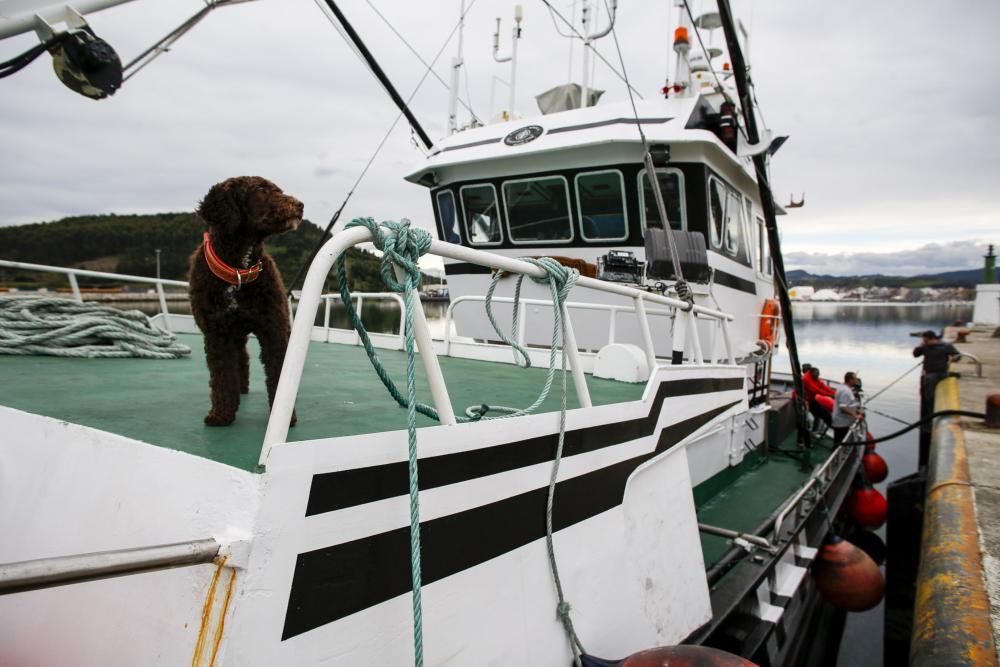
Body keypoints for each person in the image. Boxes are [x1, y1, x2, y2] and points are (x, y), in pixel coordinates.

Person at [913, 330, 959, 415]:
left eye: (925, 340)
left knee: (931, 396)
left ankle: (932, 413)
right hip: (930, 374)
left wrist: (953, 359)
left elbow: (957, 355)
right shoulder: (925, 347)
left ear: (931, 339)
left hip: (939, 373)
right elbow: (915, 354)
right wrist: (920, 346)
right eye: (924, 340)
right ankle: (930, 413)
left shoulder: (946, 346)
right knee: (928, 395)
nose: (924, 342)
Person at [832, 372, 864, 444]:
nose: (856, 380)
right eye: (855, 378)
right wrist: (856, 416)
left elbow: (847, 404)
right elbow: (843, 408)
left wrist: (857, 409)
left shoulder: (843, 388)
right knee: (839, 442)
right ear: (850, 380)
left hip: (842, 422)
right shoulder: (845, 391)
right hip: (841, 423)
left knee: (838, 440)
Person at [802, 366, 836, 433]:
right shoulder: (806, 379)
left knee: (823, 414)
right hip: (803, 401)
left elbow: (823, 386)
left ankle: (815, 431)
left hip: (811, 400)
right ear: (812, 373)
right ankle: (802, 438)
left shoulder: (814, 377)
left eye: (818, 374)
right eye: (817, 374)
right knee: (804, 420)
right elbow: (816, 390)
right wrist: (831, 395)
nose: (818, 376)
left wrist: (835, 393)